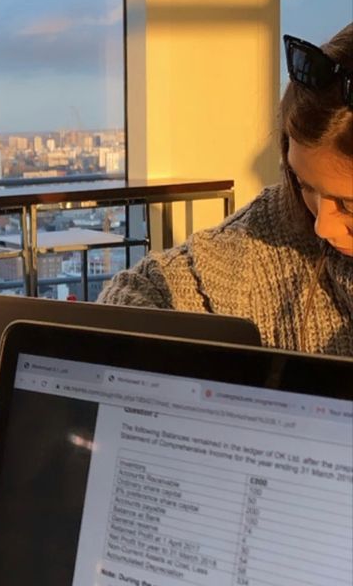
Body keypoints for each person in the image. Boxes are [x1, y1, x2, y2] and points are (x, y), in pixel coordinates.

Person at [97, 23, 353, 356]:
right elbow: (143, 294)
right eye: (305, 185)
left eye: (348, 205)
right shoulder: (274, 238)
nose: (323, 226)